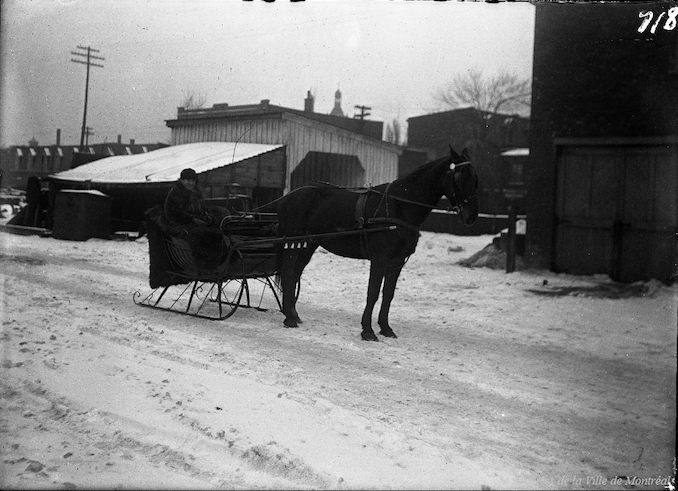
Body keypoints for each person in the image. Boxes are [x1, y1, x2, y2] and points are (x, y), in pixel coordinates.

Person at [163, 168, 222, 270]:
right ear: (181, 180)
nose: (190, 183)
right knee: (199, 236)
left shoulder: (196, 194)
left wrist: (209, 217)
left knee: (217, 233)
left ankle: (216, 263)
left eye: (193, 181)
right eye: (187, 180)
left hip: (197, 224)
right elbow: (174, 213)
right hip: (179, 225)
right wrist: (192, 219)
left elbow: (203, 208)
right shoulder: (175, 194)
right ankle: (201, 264)